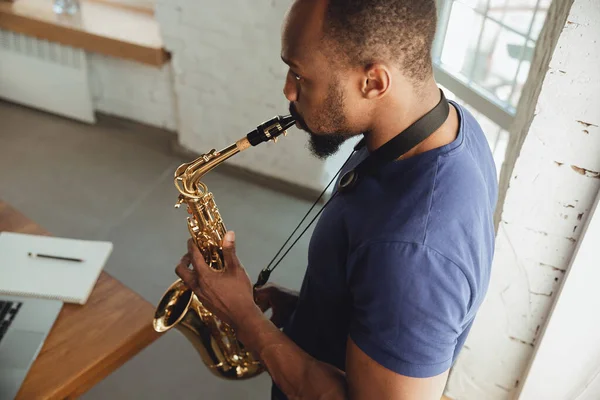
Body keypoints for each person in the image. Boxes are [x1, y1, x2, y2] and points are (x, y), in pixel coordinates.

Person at [174, 0, 498, 398]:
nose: (288, 90)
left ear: (374, 83)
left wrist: (242, 317)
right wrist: (315, 307)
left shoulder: (413, 256)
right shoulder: (447, 125)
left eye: (300, 74)